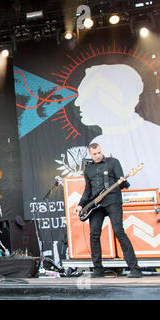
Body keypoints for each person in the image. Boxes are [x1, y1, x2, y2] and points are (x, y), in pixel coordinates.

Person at [74, 64, 160, 190]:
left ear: (112, 99)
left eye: (87, 96)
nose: (78, 102)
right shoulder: (98, 143)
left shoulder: (156, 135)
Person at [74, 143, 142, 278]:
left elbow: (122, 184)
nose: (98, 155)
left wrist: (123, 182)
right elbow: (88, 189)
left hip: (112, 200)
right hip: (96, 205)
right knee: (94, 234)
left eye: (99, 152)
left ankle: (135, 269)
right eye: (94, 154)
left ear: (101, 150)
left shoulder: (113, 162)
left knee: (118, 231)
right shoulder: (88, 169)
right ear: (90, 154)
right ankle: (98, 269)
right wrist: (81, 204)